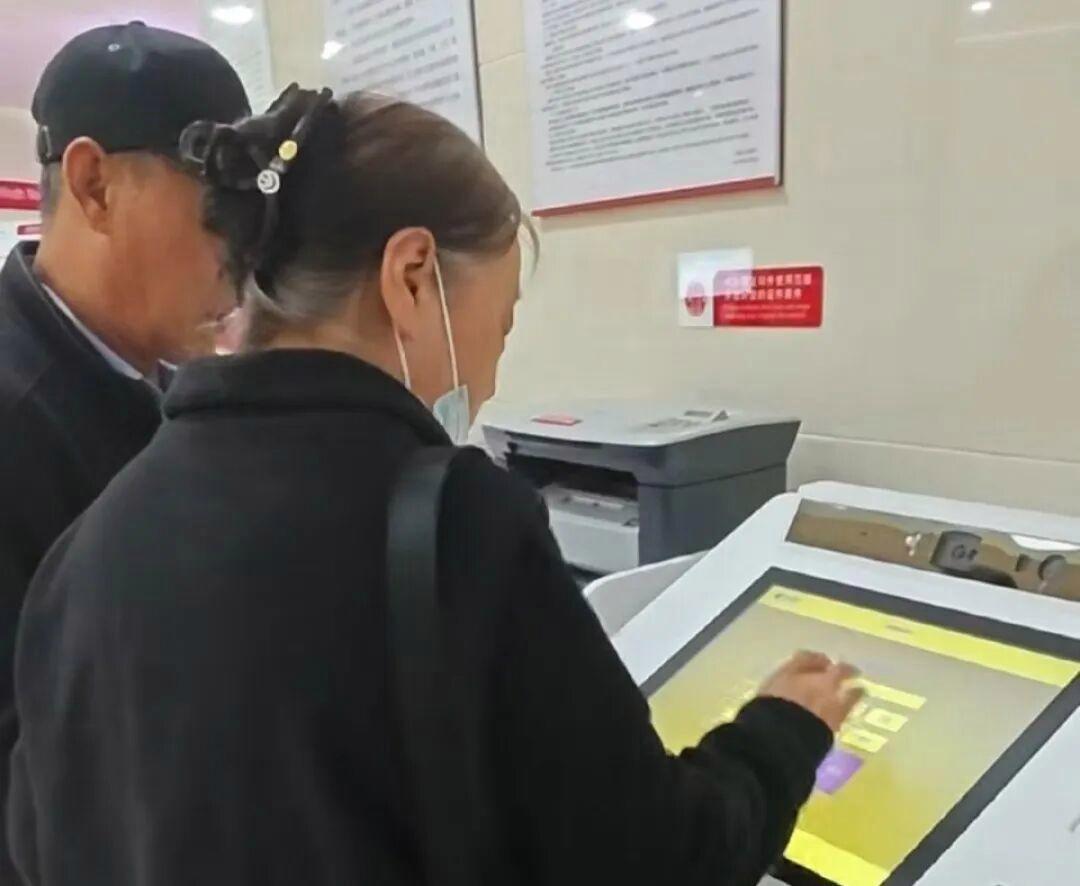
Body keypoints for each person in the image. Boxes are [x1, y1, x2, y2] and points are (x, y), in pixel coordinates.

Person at [8, 86, 861, 885]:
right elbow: (658, 856)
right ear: (411, 274)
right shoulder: (456, 525)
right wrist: (784, 729)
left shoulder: (93, 539)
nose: (487, 378)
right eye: (501, 324)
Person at [0, 21, 249, 877]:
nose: (239, 259)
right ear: (94, 184)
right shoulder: (16, 424)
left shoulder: (171, 387)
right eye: (217, 209)